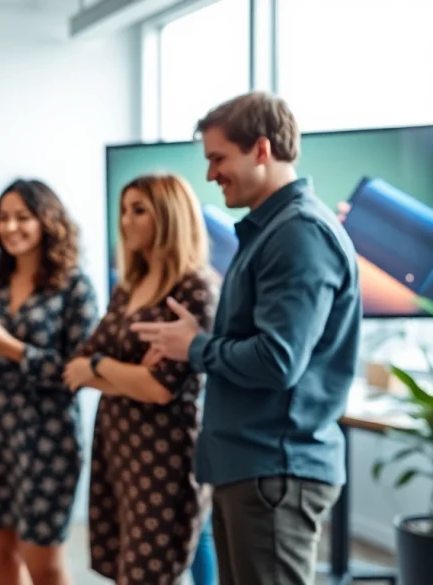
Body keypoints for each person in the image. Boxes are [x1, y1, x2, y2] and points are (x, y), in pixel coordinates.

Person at [130, 90, 362, 585]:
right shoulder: (272, 231)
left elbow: (278, 361)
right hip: (252, 467)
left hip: (274, 468)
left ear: (261, 149)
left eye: (218, 158)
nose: (210, 174)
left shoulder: (298, 234)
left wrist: (194, 346)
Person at [61, 173, 218, 585]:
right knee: (124, 566)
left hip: (164, 455)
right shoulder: (128, 286)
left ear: (169, 216)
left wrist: (103, 367)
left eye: (138, 210)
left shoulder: (195, 288)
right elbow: (78, 365)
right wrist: (127, 373)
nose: (125, 221)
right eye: (124, 210)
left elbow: (161, 389)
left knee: (148, 572)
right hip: (118, 447)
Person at [0, 179, 97, 585]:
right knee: (2, 559)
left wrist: (12, 348)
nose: (10, 227)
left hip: (47, 437)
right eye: (3, 219)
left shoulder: (74, 286)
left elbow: (80, 370)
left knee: (44, 564)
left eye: (22, 217)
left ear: (47, 221)